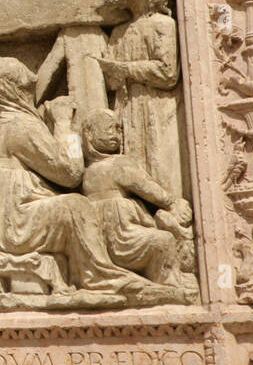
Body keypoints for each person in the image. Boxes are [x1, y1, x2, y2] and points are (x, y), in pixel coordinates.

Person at [0, 56, 148, 294]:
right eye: (27, 90)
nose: (31, 96)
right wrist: (64, 124)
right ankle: (101, 278)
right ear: (14, 92)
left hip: (5, 223)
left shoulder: (3, 125)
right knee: (75, 206)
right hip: (15, 226)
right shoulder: (20, 126)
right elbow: (71, 172)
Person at [95, 0, 183, 196]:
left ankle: (171, 207)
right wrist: (109, 69)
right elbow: (114, 83)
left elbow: (167, 73)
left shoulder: (162, 25)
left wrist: (125, 69)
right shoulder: (119, 32)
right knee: (132, 164)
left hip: (156, 107)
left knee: (160, 163)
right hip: (127, 108)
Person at [80, 109, 194, 289]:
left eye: (118, 129)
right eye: (109, 128)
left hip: (103, 239)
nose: (116, 135)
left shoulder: (85, 173)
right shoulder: (118, 163)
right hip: (123, 234)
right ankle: (169, 285)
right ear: (90, 134)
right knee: (163, 241)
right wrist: (172, 203)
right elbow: (147, 187)